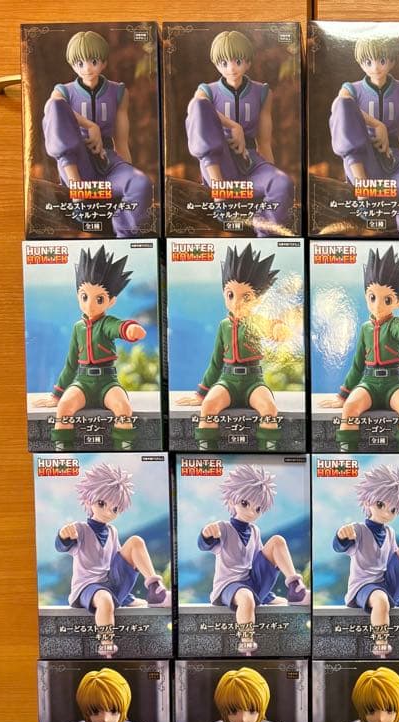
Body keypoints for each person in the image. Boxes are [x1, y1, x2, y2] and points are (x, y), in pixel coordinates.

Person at [318, 247, 399, 453]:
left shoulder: (394, 324)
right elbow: (357, 365)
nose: (378, 305)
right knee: (350, 408)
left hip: (394, 384)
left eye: (387, 300)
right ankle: (347, 455)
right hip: (369, 383)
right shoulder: (365, 329)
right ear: (366, 296)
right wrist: (343, 395)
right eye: (373, 297)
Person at [175, 244, 289, 452]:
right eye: (230, 295)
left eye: (246, 297)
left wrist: (279, 329)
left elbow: (271, 327)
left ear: (258, 298)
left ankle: (268, 451)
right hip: (227, 381)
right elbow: (216, 362)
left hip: (253, 382)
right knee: (208, 406)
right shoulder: (223, 326)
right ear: (223, 293)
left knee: (269, 409)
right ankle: (207, 452)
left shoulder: (257, 321)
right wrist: (201, 393)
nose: (236, 303)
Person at [33, 246, 146, 452]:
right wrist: (57, 394)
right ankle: (62, 451)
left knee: (123, 408)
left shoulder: (107, 323)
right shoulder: (78, 328)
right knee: (64, 407)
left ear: (111, 301)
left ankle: (124, 450)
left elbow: (118, 327)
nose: (90, 305)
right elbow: (70, 364)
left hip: (107, 383)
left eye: (99, 299)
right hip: (82, 383)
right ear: (78, 295)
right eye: (84, 297)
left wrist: (130, 329)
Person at [42, 30, 153, 237]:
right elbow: (53, 107)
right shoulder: (63, 92)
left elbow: (121, 141)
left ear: (104, 62)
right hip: (77, 166)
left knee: (141, 183)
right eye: (79, 63)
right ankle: (78, 196)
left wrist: (126, 174)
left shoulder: (118, 92)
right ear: (72, 65)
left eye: (93, 61)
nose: (86, 68)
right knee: (55, 107)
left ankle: (125, 236)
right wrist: (90, 125)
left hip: (108, 163)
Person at [54, 461, 170, 658]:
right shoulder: (80, 529)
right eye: (102, 504)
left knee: (135, 541)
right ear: (89, 500)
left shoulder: (113, 531)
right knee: (105, 600)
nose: (108, 511)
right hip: (89, 587)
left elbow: (118, 562)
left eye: (115, 509)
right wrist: (64, 535)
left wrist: (125, 594)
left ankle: (155, 590)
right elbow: (62, 545)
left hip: (110, 582)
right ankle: (106, 642)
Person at [186, 29, 294, 236]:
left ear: (248, 62)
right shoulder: (207, 91)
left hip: (250, 164)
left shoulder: (262, 92)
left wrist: (270, 176)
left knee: (283, 183)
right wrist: (234, 126)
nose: (231, 68)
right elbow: (195, 107)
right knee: (199, 107)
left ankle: (264, 234)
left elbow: (264, 142)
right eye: (223, 63)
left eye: (237, 61)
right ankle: (220, 197)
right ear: (216, 65)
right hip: (219, 168)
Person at [329, 33, 399, 236]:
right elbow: (340, 106)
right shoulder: (350, 90)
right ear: (360, 63)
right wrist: (377, 124)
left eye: (382, 60)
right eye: (368, 62)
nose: (375, 67)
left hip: (393, 160)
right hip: (361, 163)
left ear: (393, 60)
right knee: (343, 105)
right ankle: (363, 191)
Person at [198, 463, 309, 655]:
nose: (251, 512)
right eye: (245, 503)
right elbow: (205, 544)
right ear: (232, 500)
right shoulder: (223, 528)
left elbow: (260, 559)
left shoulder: (255, 531)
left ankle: (295, 587)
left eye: (257, 509)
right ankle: (246, 639)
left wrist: (265, 587)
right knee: (246, 598)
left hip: (251, 581)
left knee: (277, 541)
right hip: (230, 585)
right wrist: (207, 534)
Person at [333, 463, 399, 657]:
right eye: (380, 505)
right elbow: (339, 546)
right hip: (365, 587)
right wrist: (342, 536)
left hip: (385, 583)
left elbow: (395, 561)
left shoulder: (390, 532)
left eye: (392, 510)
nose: (386, 513)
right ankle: (381, 642)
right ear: (368, 501)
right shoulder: (358, 530)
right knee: (381, 600)